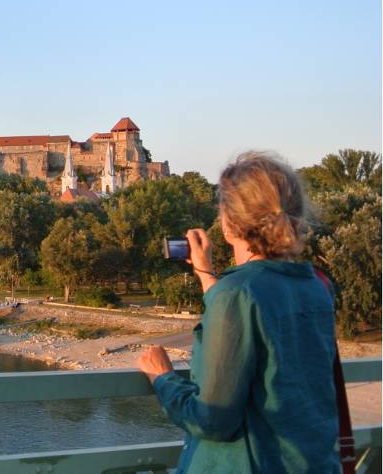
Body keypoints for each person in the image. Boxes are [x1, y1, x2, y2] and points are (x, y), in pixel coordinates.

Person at [136, 152, 340, 473]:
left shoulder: (237, 294)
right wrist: (206, 274)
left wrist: (163, 379)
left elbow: (212, 420)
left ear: (229, 223)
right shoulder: (316, 285)